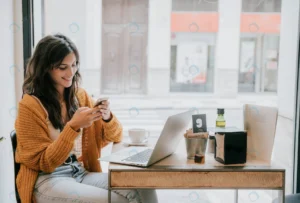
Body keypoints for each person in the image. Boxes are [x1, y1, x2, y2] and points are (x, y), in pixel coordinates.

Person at [15, 34, 158, 203]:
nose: (71, 72)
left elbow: (116, 136)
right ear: (46, 68)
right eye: (62, 67)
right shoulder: (30, 106)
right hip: (48, 179)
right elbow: (45, 163)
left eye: (74, 65)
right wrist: (73, 127)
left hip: (79, 172)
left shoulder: (78, 96)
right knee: (120, 201)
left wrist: (107, 117)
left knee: (142, 185)